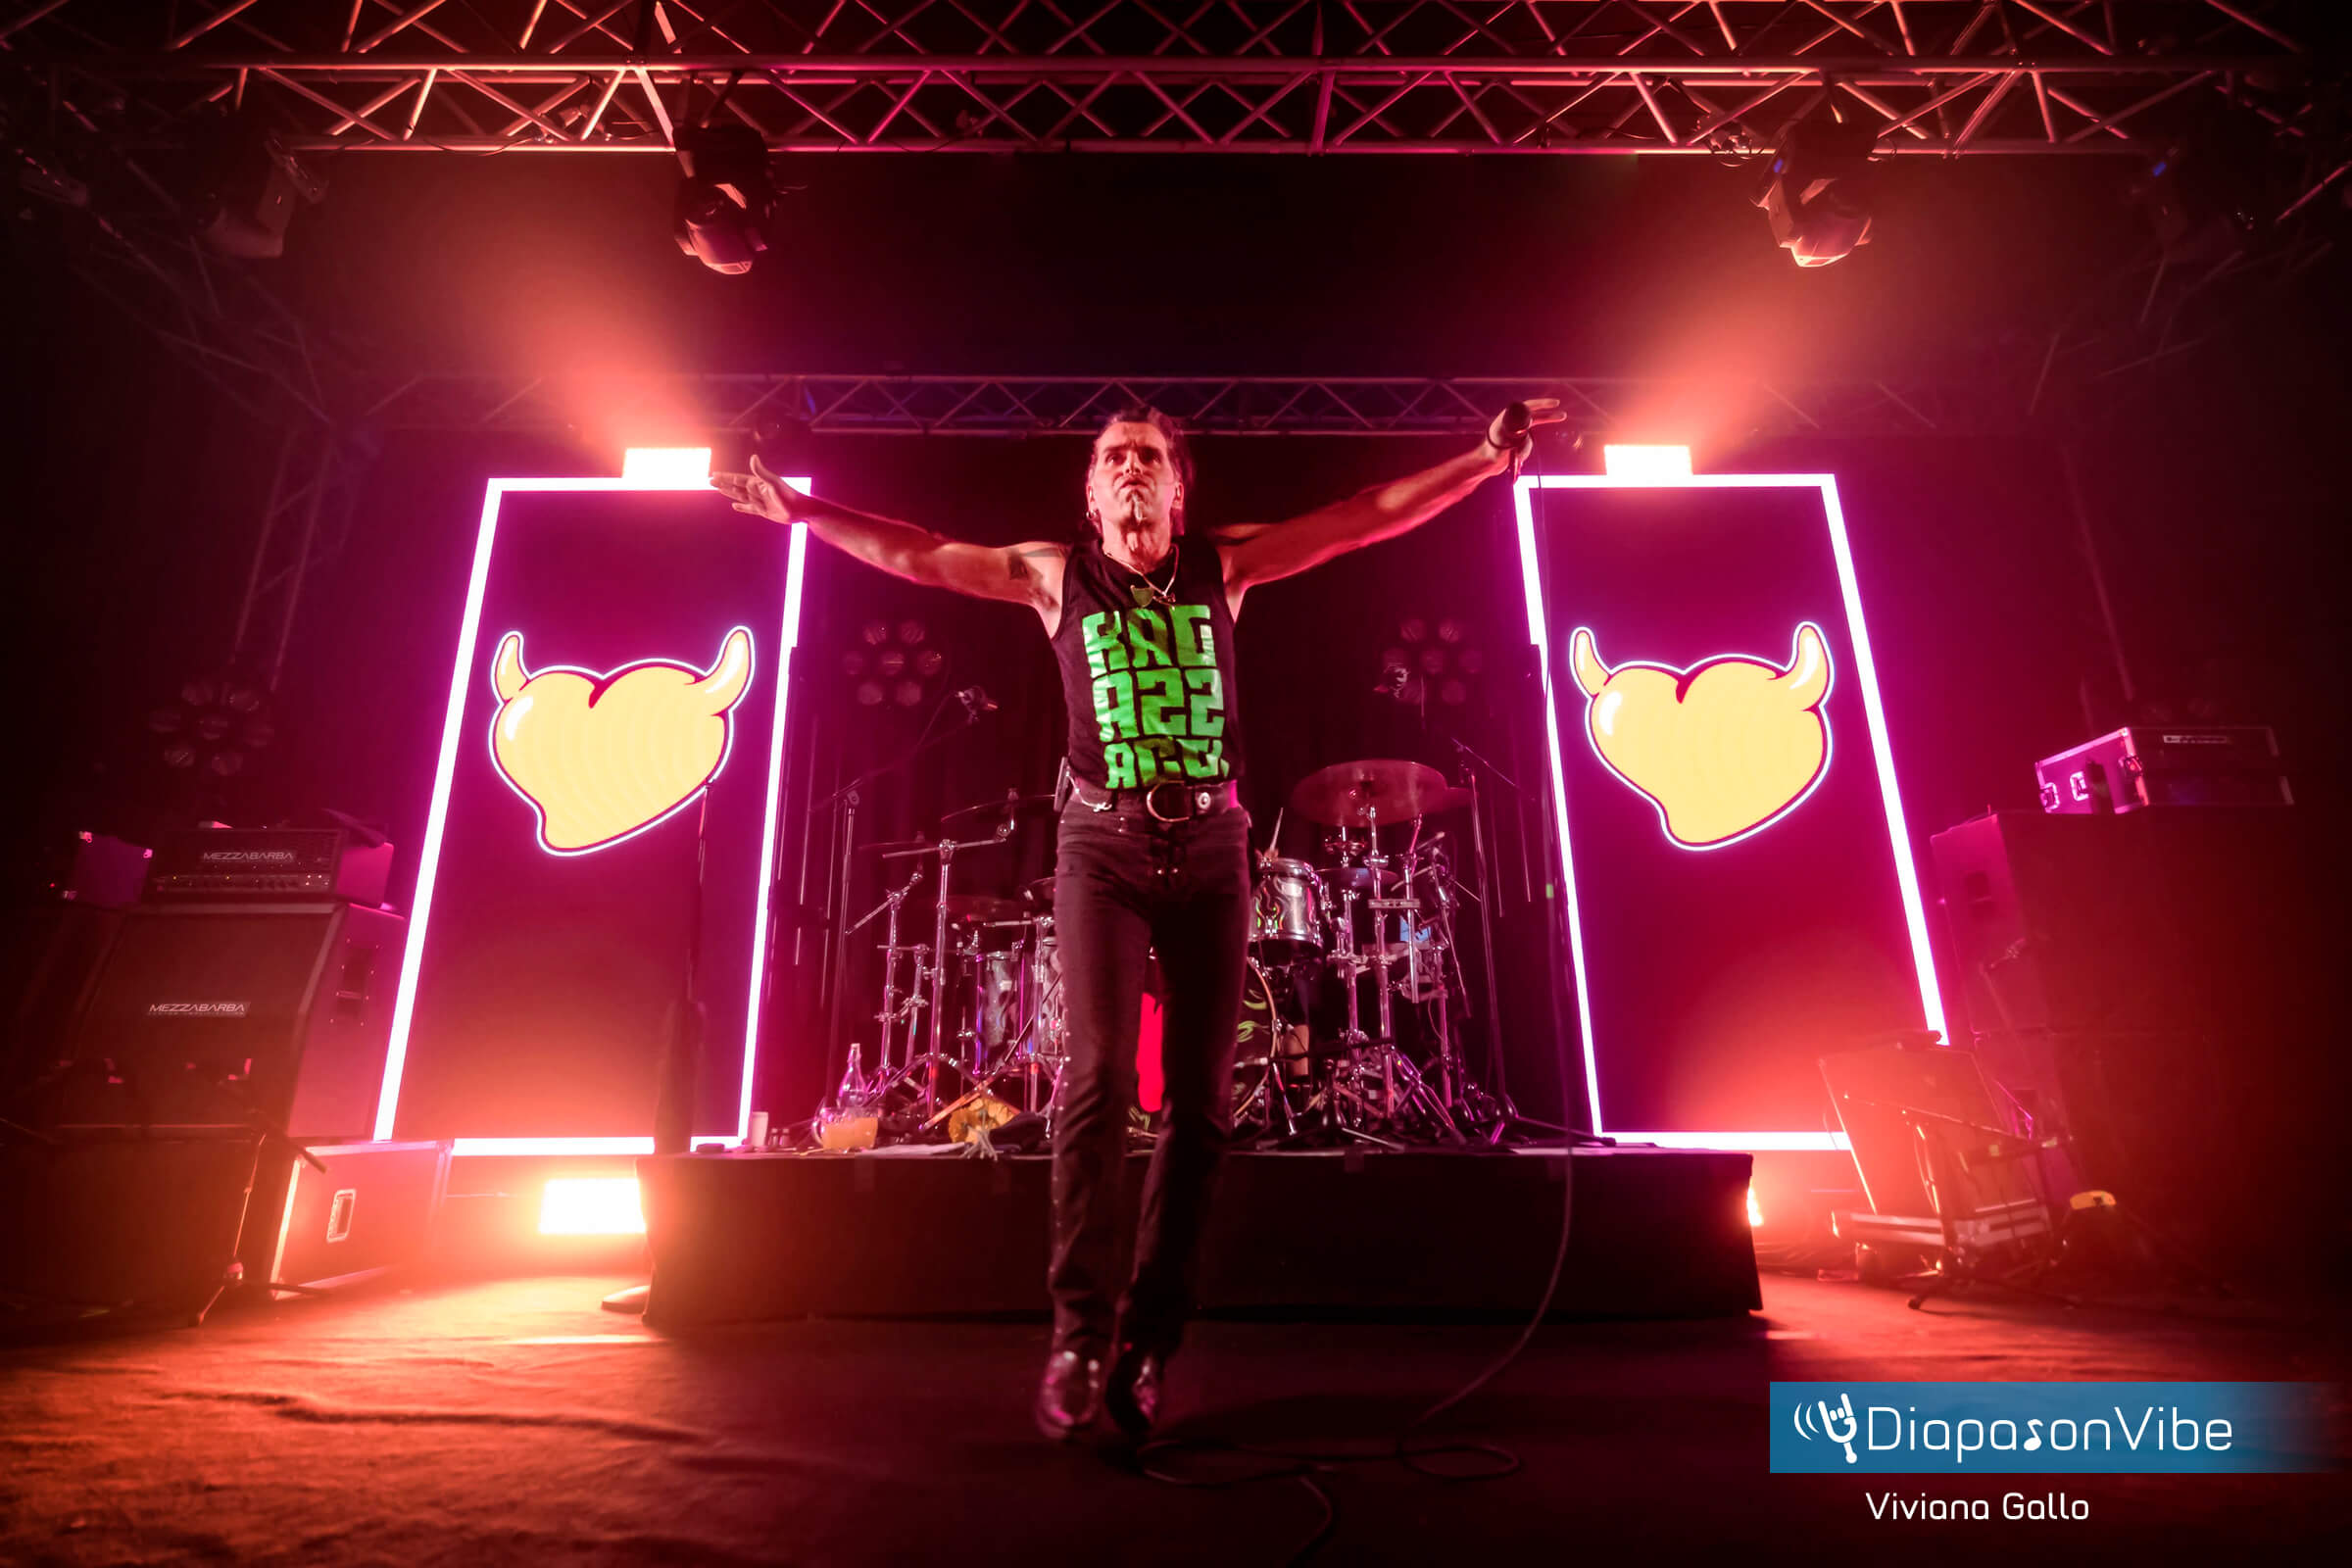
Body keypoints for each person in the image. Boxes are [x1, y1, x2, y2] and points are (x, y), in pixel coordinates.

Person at [711, 398, 1561, 1443]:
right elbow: (922, 555)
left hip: (1211, 846)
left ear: (1177, 488)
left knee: (1201, 1108)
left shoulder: (1221, 569)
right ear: (1089, 489)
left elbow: (1363, 516)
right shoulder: (1055, 577)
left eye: (1149, 456)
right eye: (1113, 455)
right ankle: (1078, 1334)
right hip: (1101, 847)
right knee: (1101, 1077)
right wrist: (803, 511)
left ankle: (1150, 1341)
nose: (1129, 468)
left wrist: (1480, 459)